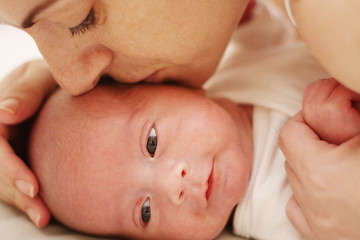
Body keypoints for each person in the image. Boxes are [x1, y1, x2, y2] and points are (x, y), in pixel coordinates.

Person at [0, 0, 253, 227]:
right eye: (145, 212)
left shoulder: (251, 45)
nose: (173, 184)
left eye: (151, 142)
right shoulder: (280, 209)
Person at [276, 0, 360, 239]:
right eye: (157, 215)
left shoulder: (235, 62)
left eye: (157, 141)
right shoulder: (264, 207)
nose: (173, 184)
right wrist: (341, 135)